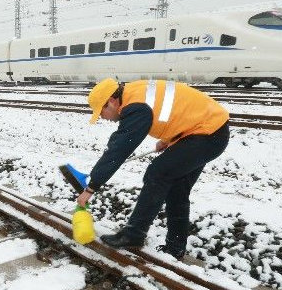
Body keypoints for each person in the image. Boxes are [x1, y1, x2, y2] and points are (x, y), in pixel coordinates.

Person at [76, 78, 229, 259]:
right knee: (177, 189)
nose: (102, 118)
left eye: (101, 113)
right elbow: (176, 110)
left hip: (206, 134)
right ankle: (175, 248)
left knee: (157, 173)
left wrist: (91, 187)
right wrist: (168, 139)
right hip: (209, 130)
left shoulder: (135, 107)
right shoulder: (135, 93)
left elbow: (119, 149)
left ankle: (134, 234)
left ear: (110, 102)